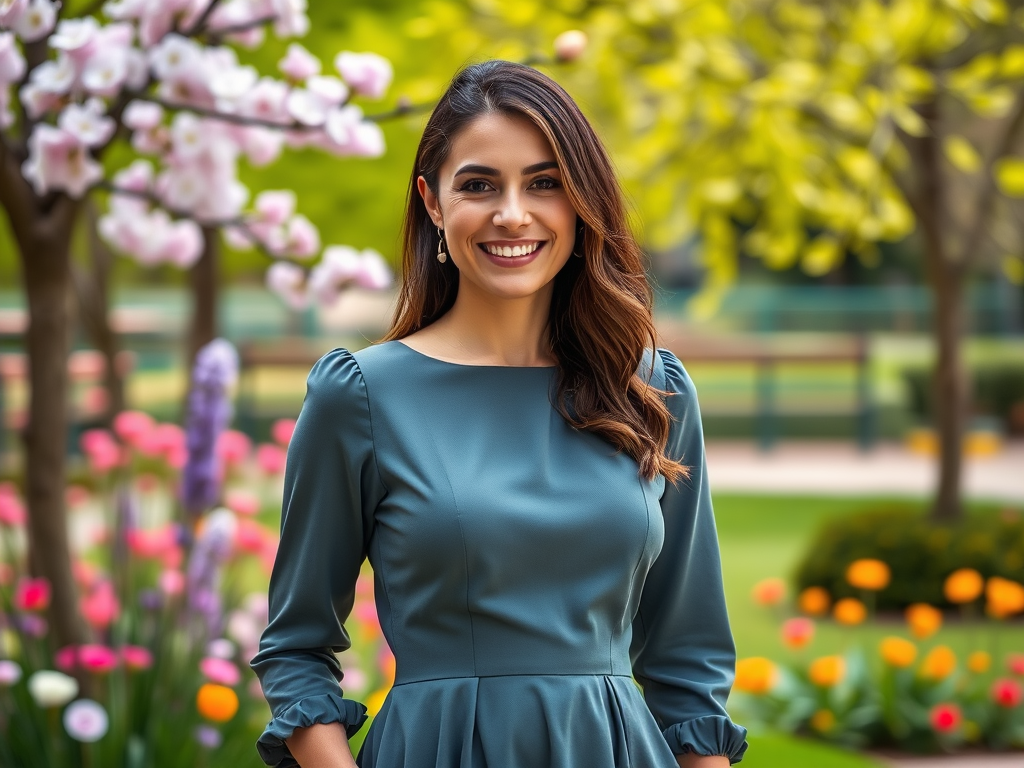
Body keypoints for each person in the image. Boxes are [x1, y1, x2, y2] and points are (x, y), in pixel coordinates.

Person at [251, 60, 748, 768]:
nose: (512, 213)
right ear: (431, 201)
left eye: (544, 183)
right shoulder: (360, 396)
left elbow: (688, 661)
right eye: (479, 185)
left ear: (581, 201)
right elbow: (297, 646)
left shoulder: (651, 391)